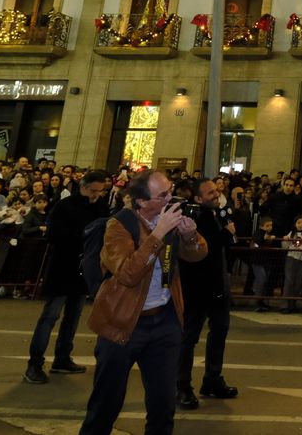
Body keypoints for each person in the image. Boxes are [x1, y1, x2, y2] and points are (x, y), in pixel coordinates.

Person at [79, 170, 208, 435]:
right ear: (141, 201)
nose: (171, 199)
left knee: (163, 405)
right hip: (122, 323)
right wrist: (158, 234)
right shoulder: (119, 226)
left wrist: (189, 236)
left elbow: (197, 255)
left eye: (171, 191)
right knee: (105, 404)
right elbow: (128, 274)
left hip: (165, 321)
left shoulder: (169, 219)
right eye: (163, 195)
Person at [24, 169, 111, 383]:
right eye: (93, 190)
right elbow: (53, 235)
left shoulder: (100, 206)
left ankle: (62, 358)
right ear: (83, 186)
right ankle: (34, 363)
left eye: (100, 191)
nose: (96, 195)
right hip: (62, 266)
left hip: (83, 269)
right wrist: (82, 236)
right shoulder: (65, 206)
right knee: (50, 316)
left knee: (73, 316)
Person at [175, 179, 240, 410]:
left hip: (218, 285)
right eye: (210, 192)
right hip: (197, 287)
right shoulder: (192, 218)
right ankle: (182, 385)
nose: (216, 193)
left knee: (220, 332)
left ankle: (212, 379)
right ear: (198, 198)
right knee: (189, 337)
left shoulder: (217, 214)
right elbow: (200, 248)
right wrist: (226, 235)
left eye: (216, 190)